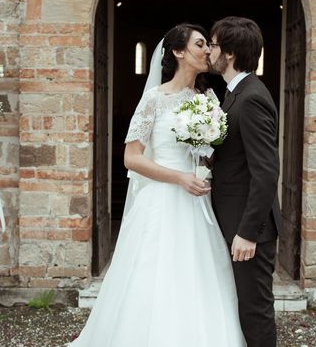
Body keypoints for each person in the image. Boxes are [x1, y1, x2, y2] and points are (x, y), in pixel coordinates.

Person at [70, 23, 246, 347]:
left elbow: (209, 153)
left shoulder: (208, 98)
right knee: (154, 275)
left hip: (196, 201)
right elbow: (131, 158)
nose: (208, 50)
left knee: (197, 275)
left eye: (208, 45)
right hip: (162, 201)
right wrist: (178, 177)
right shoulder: (153, 99)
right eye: (200, 44)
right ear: (179, 52)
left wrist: (206, 165)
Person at [207, 16, 282, 347]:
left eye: (214, 45)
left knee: (255, 309)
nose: (210, 51)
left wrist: (248, 233)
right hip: (231, 220)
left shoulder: (251, 98)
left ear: (231, 54)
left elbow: (266, 171)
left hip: (247, 229)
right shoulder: (234, 94)